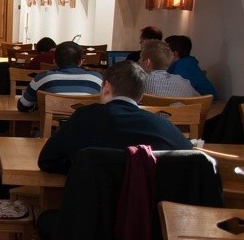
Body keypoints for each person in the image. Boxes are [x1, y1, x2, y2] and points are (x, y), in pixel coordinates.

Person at [38, 61, 192, 174]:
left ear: (106, 87)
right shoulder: (163, 126)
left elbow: (47, 161)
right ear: (141, 95)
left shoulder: (84, 117)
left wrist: (81, 168)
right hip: (145, 207)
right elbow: (191, 159)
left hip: (91, 206)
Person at [16, 41, 103, 112]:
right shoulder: (97, 79)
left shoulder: (43, 78)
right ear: (81, 62)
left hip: (53, 128)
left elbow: (23, 106)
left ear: (54, 62)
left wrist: (39, 106)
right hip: (88, 128)